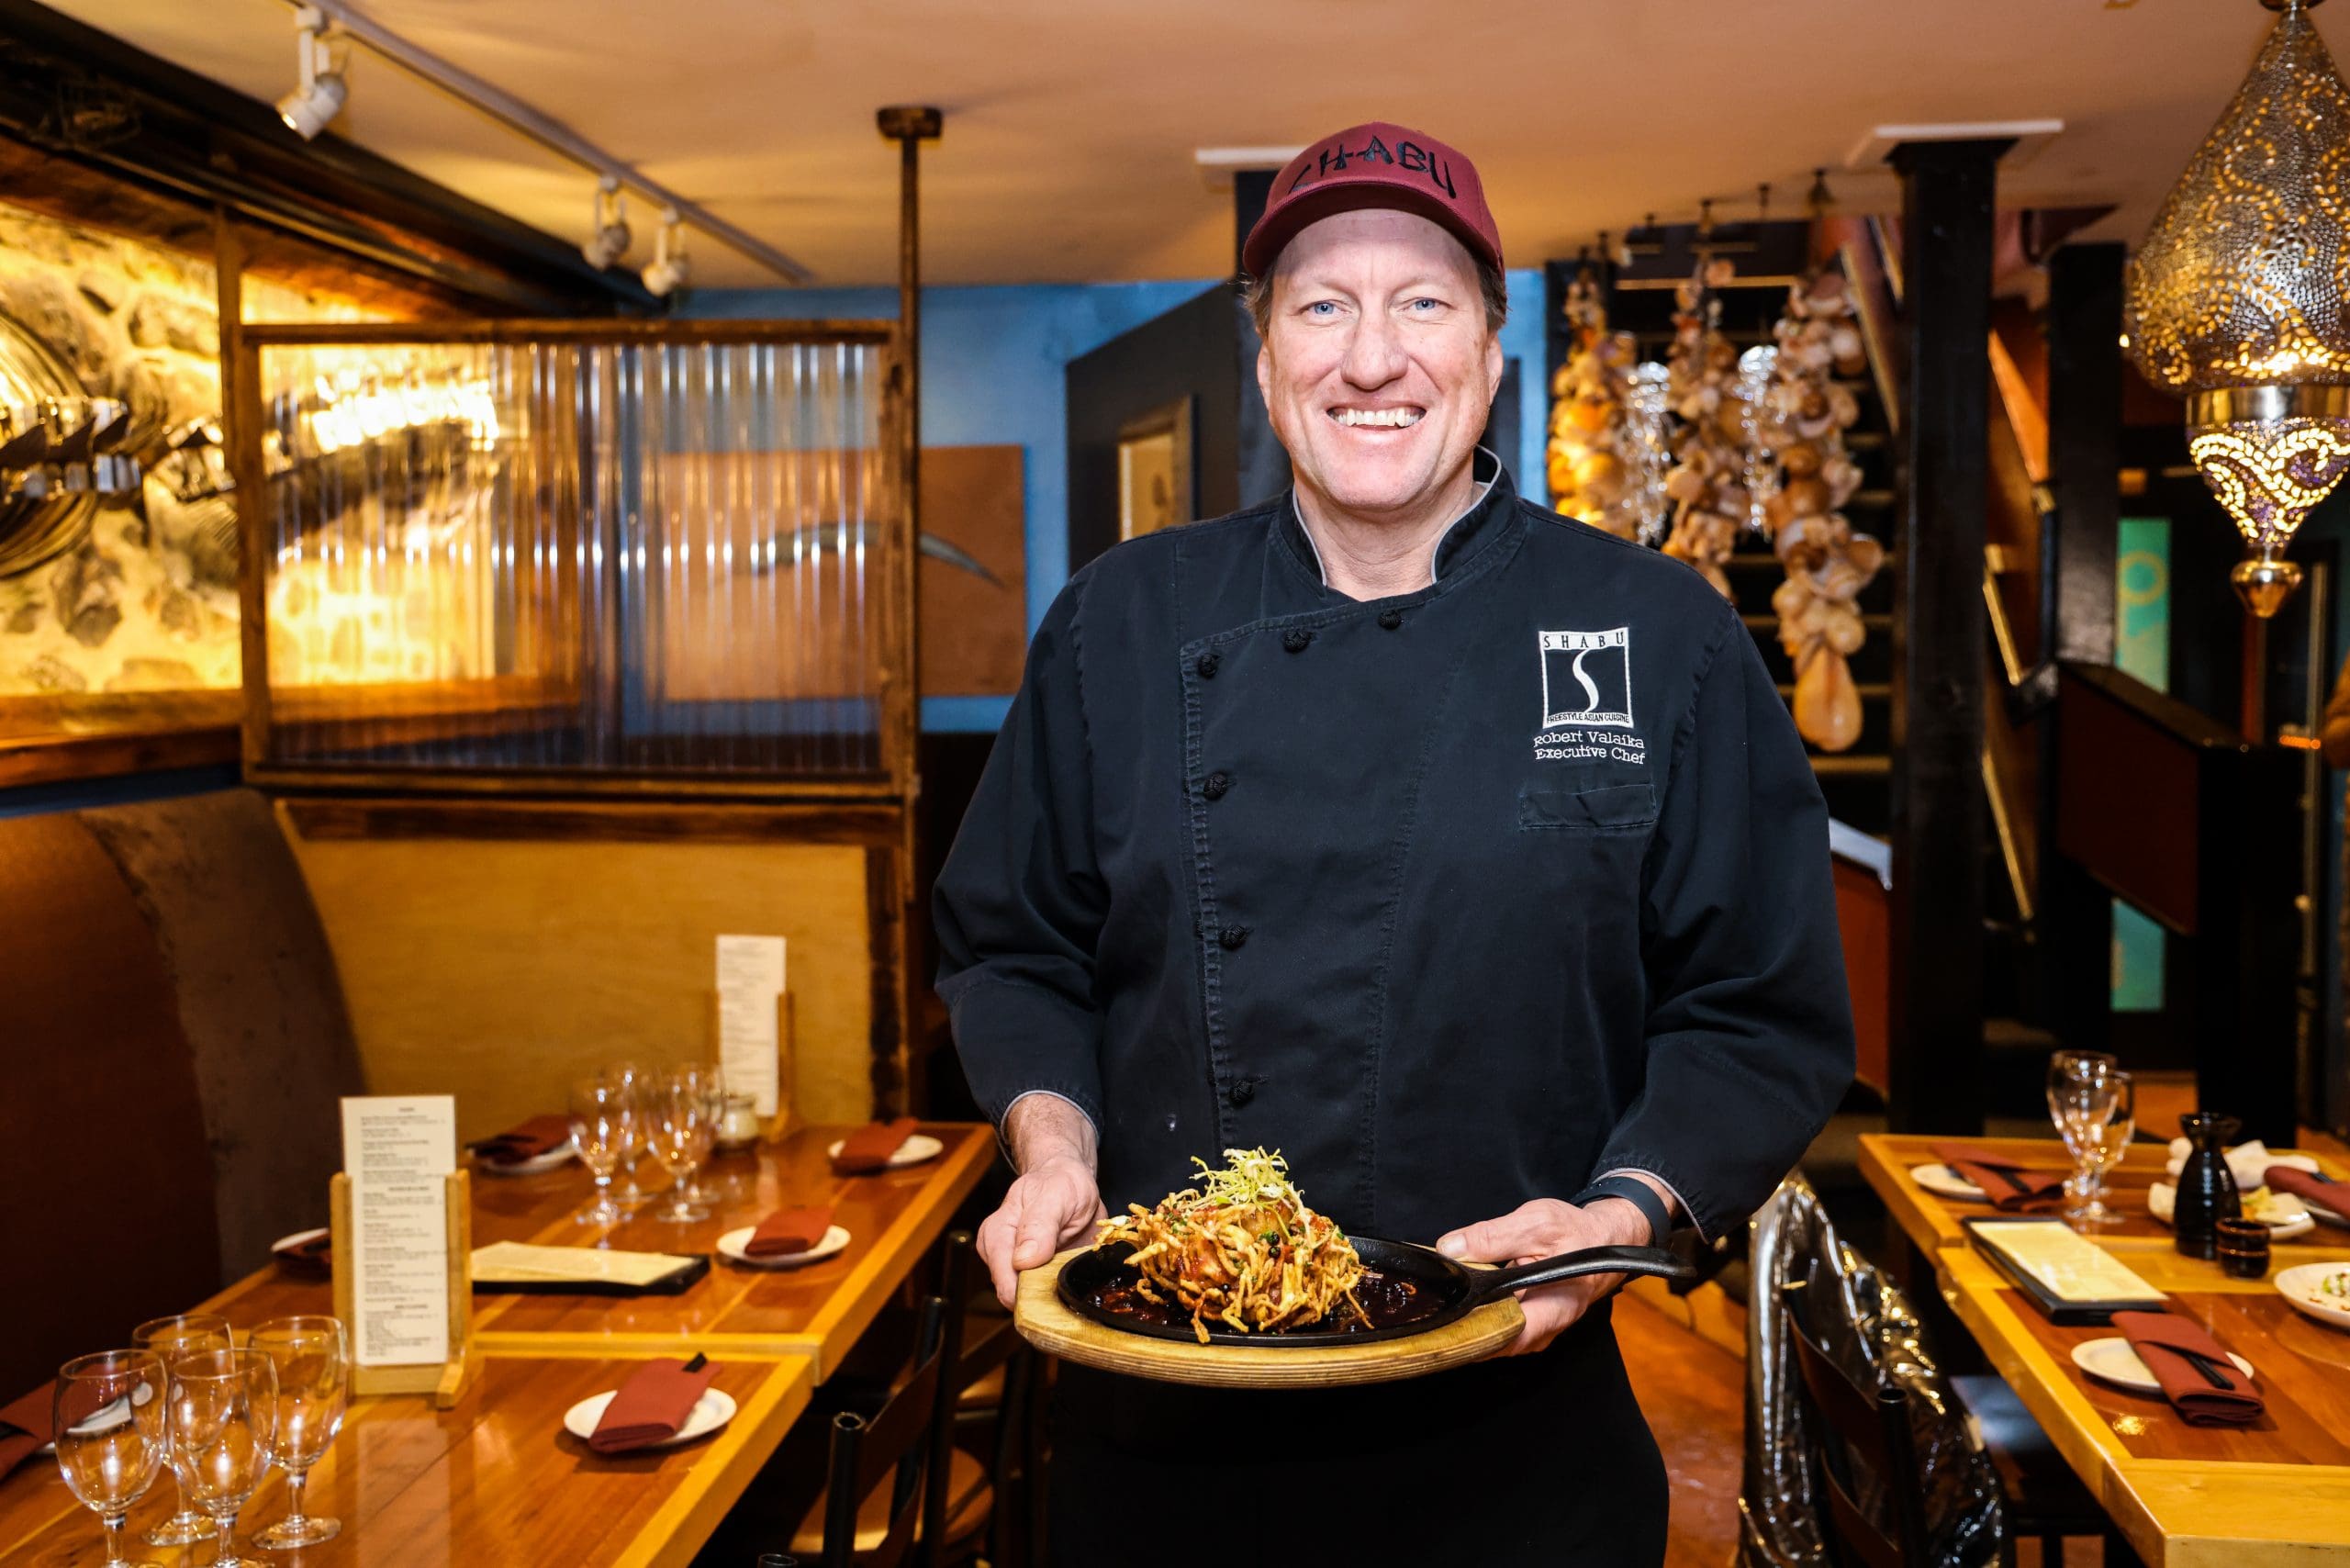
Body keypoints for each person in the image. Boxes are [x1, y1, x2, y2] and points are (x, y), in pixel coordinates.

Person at [934, 121, 1854, 1565]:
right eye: (1323, 307)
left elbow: (1756, 1011)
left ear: (1492, 349)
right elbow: (1013, 944)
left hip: (1512, 1442)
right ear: (1267, 361)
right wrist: (1053, 1143)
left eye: (1423, 303)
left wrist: (1624, 1210)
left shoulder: (1657, 635)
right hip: (1163, 1436)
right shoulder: (1121, 619)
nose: (1373, 359)